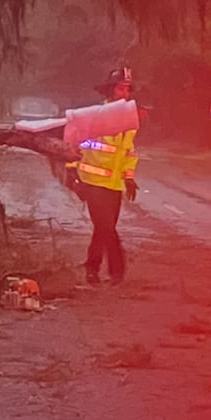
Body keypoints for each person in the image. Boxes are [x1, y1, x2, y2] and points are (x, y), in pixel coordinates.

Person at [67, 67, 140, 285]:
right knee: (106, 227)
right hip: (92, 182)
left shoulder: (129, 121)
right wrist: (72, 170)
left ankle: (92, 269)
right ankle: (117, 269)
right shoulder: (96, 116)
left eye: (127, 89)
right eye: (120, 88)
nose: (125, 93)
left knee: (103, 229)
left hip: (114, 184)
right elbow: (76, 140)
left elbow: (128, 151)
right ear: (110, 90)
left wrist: (129, 177)